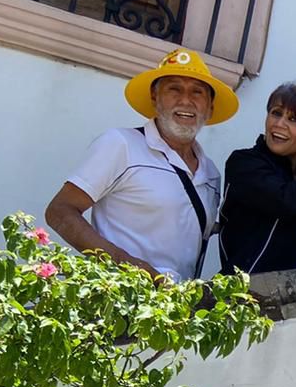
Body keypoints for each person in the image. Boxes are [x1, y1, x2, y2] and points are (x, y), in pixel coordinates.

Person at [45, 48, 237, 279]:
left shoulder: (211, 173)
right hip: (116, 300)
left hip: (174, 310)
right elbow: (60, 211)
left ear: (210, 107)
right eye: (174, 89)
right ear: (155, 98)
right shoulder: (121, 144)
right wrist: (125, 264)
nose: (186, 100)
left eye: (197, 92)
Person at [217, 83, 296, 275]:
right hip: (248, 297)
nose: (279, 124)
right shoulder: (244, 164)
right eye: (276, 113)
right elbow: (287, 202)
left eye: (293, 119)